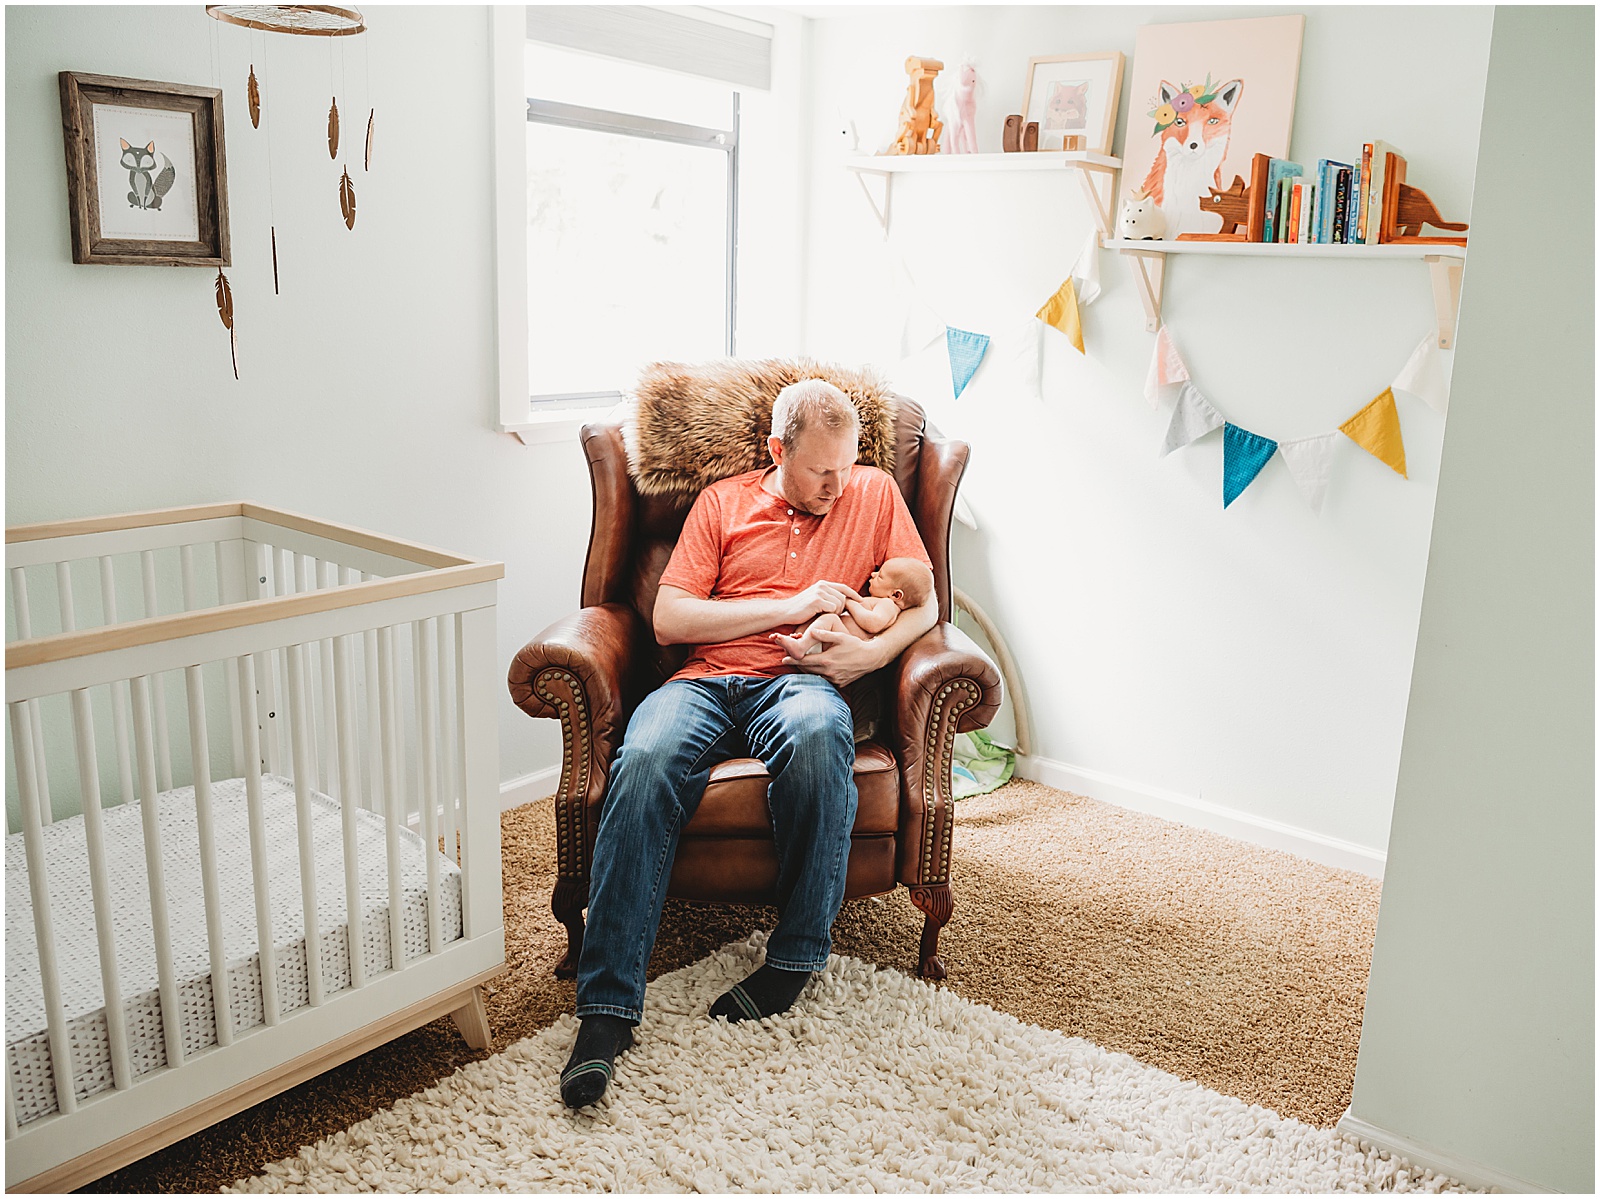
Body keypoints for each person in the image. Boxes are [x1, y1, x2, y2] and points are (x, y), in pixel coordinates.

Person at [560, 379, 937, 1109]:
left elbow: (927, 603)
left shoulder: (875, 492)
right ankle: (605, 1012)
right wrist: (792, 605)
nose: (838, 483)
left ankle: (794, 957)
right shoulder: (723, 501)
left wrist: (869, 655)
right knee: (641, 761)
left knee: (821, 732)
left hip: (800, 681)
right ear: (777, 450)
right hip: (704, 680)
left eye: (849, 463)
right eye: (820, 470)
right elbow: (669, 618)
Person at [770, 557, 933, 661]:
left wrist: (850, 602)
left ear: (896, 595)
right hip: (833, 640)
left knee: (831, 619)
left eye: (880, 576)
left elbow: (873, 624)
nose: (873, 574)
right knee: (824, 618)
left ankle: (800, 646)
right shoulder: (881, 601)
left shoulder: (888, 605)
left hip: (843, 643)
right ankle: (802, 641)